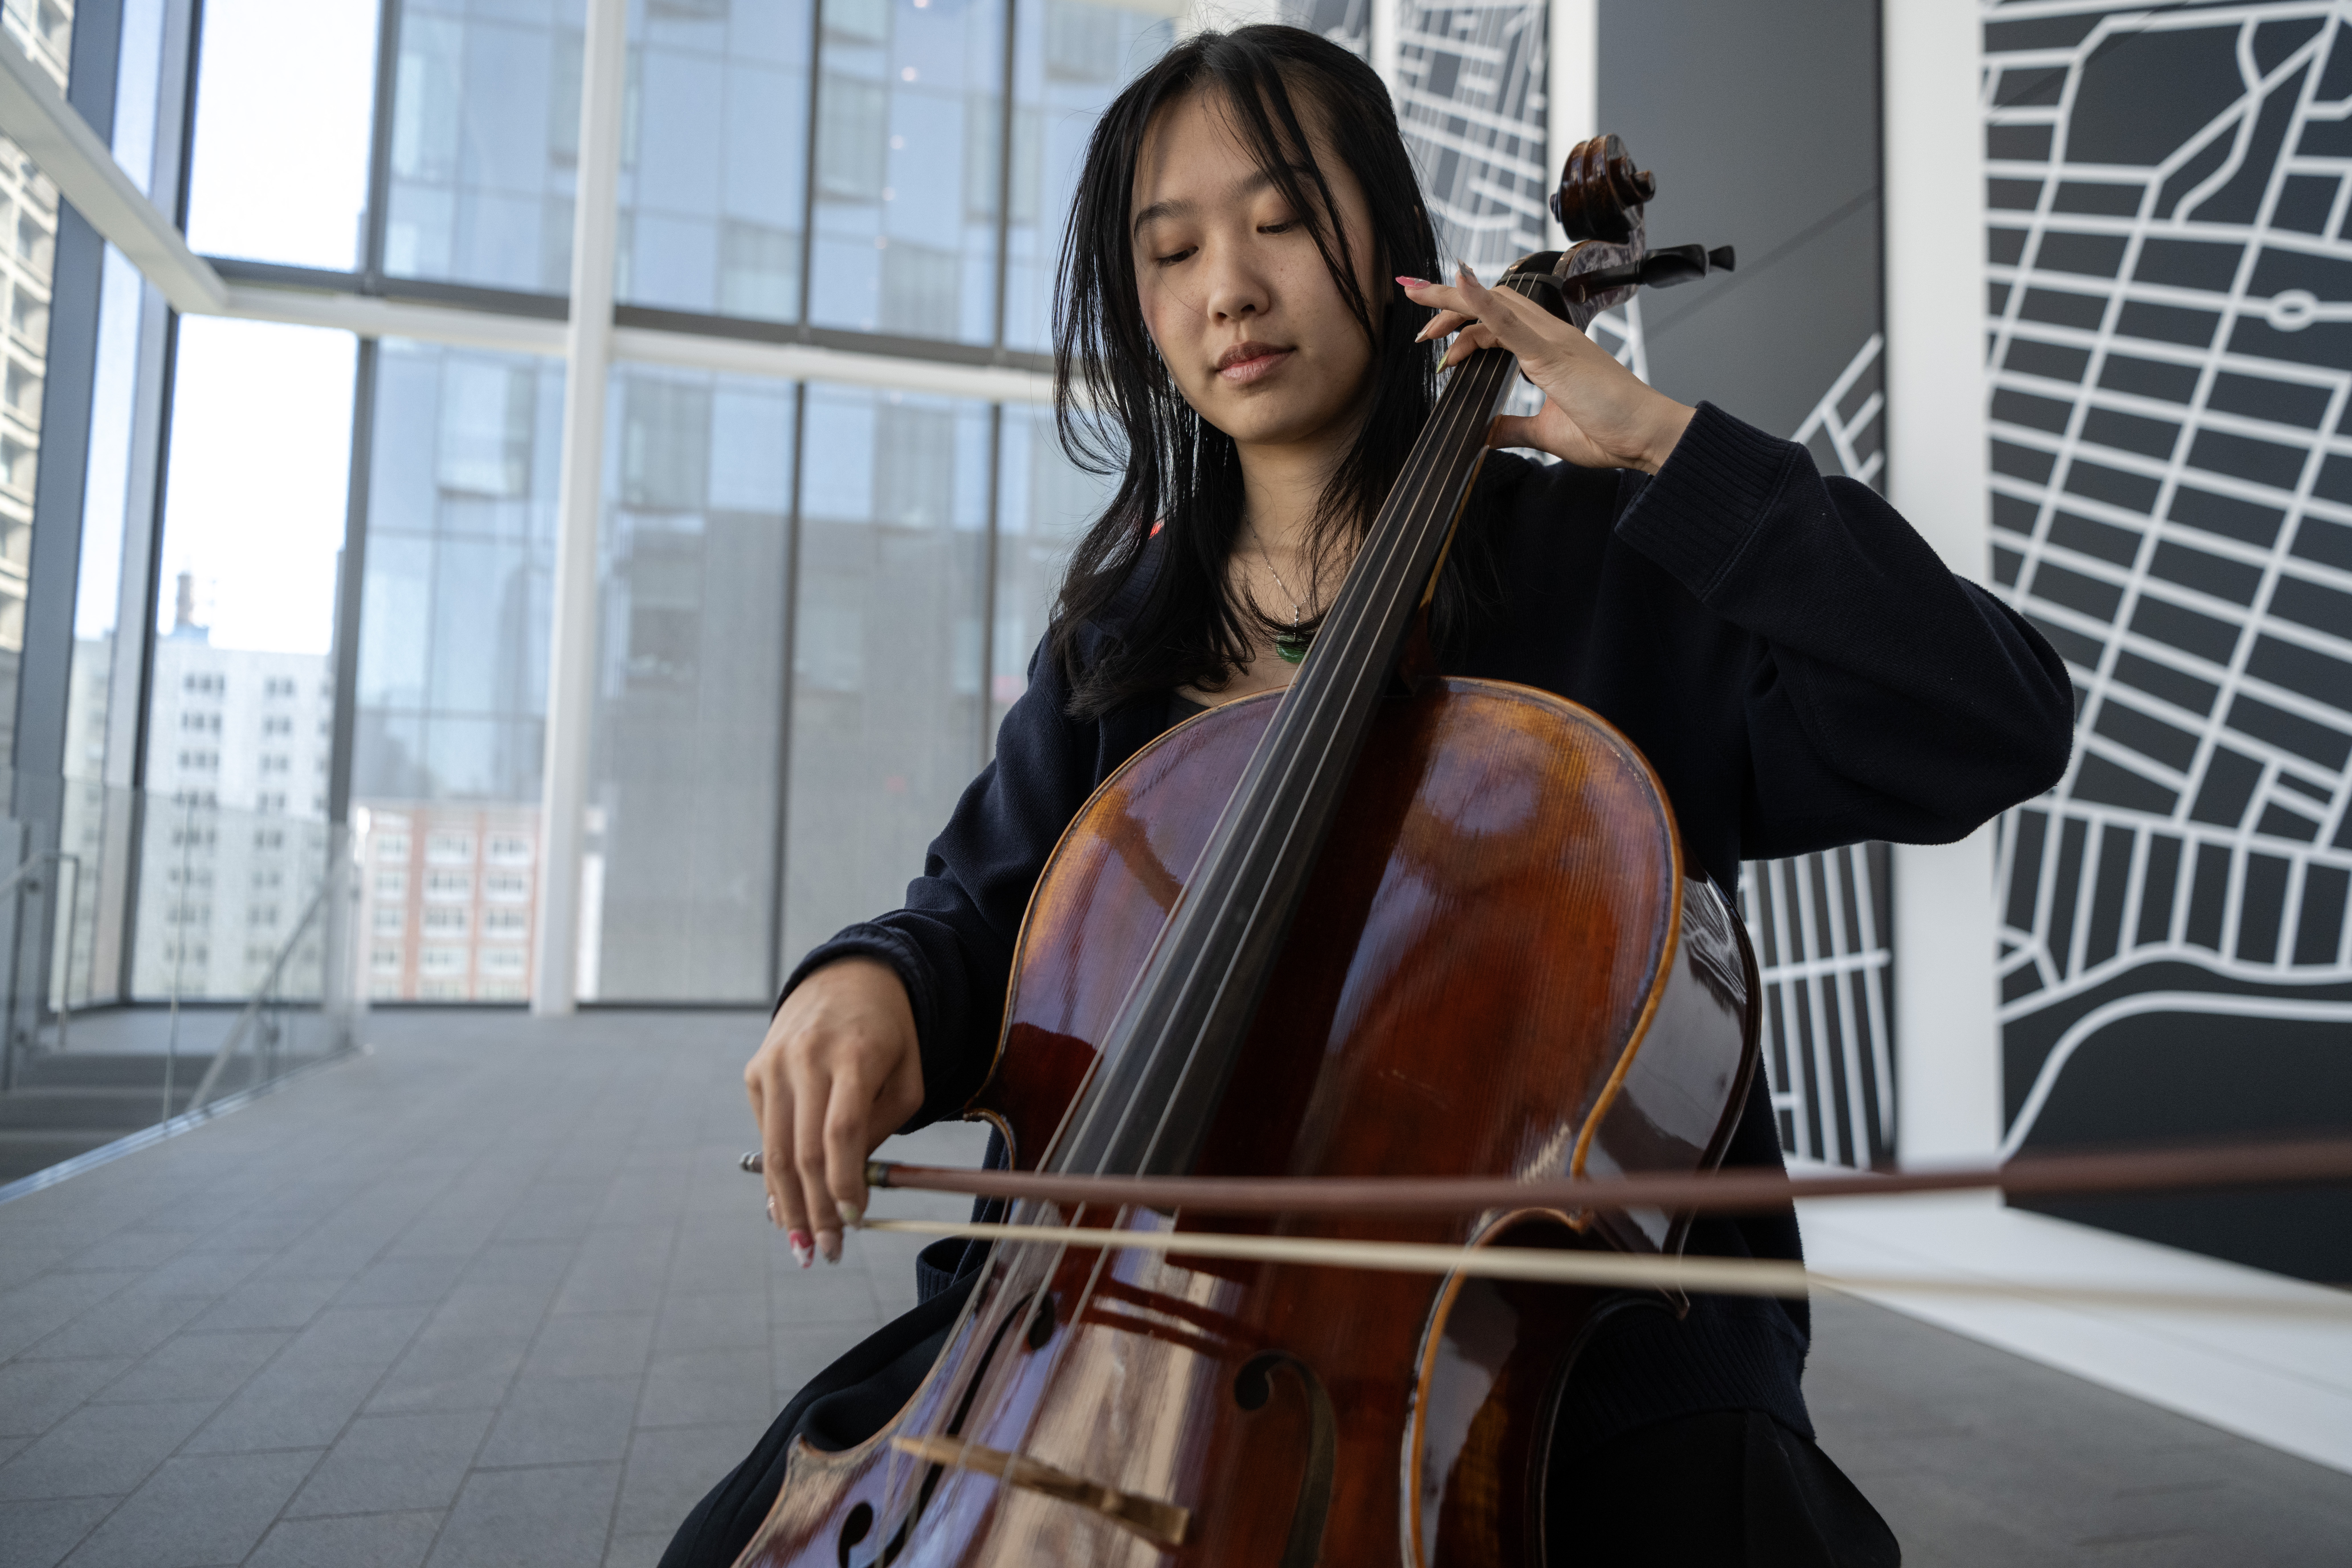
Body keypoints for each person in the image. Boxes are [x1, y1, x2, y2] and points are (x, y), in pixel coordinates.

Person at [664, 24, 2070, 1568]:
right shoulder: (1123, 641)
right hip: (1085, 1314)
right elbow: (980, 920)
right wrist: (866, 981)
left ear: (1387, 241)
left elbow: (1988, 720)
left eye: (1281, 221)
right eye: (1172, 253)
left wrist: (1673, 455)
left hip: (1551, 1355)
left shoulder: (1604, 572)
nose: (1229, 290)